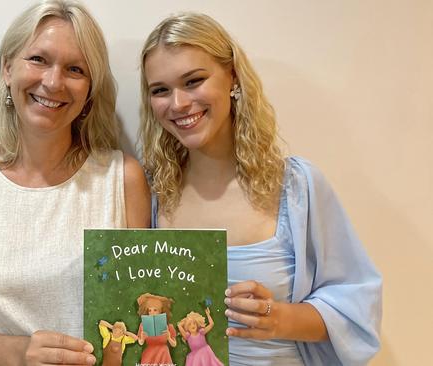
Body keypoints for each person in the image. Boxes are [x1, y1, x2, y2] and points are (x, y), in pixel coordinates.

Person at [0, 1, 150, 365]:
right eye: (38, 59)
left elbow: (142, 307)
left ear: (90, 89)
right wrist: (20, 353)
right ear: (7, 68)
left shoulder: (122, 179)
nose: (53, 82)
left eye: (75, 69)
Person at [139, 12, 382, 366]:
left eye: (193, 81)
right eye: (160, 90)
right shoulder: (151, 190)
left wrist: (278, 318)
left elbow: (357, 307)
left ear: (232, 77)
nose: (177, 104)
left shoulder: (297, 187)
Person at [136, 293, 177, 365]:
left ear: (161, 311)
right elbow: (140, 342)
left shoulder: (169, 326)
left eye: (155, 310)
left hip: (163, 353)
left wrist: (169, 337)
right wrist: (142, 339)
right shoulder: (143, 325)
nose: (152, 313)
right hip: (149, 354)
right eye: (149, 310)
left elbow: (174, 344)